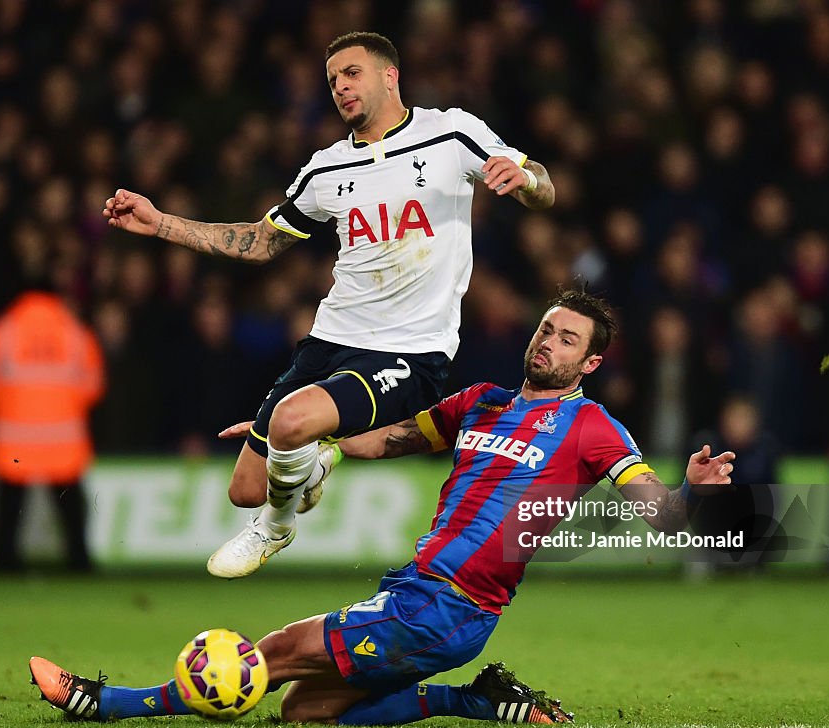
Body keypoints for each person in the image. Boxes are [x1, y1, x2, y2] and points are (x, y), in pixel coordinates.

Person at [30, 289, 734, 726]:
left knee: (271, 654)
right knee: (307, 711)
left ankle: (108, 703)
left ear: (589, 364)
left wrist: (689, 492)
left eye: (567, 339)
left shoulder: (593, 428)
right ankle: (474, 699)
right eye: (547, 329)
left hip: (449, 606)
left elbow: (661, 519)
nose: (548, 342)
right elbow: (389, 440)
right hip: (420, 594)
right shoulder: (481, 401)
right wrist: (289, 433)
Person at [101, 31, 555, 579]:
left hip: (411, 350)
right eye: (333, 80)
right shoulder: (327, 168)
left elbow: (545, 187)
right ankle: (309, 460)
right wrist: (161, 224)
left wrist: (525, 179)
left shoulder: (451, 133)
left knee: (291, 427)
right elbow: (260, 241)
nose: (340, 87)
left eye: (352, 73)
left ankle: (276, 527)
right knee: (246, 488)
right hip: (330, 340)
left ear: (390, 75)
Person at [0, 277, 105, 572]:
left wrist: (3, 398)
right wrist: (65, 403)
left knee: (9, 508)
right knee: (70, 508)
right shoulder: (74, 332)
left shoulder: (2, 330)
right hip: (62, 440)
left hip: (14, 440)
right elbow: (94, 383)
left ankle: (3, 563)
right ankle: (79, 563)